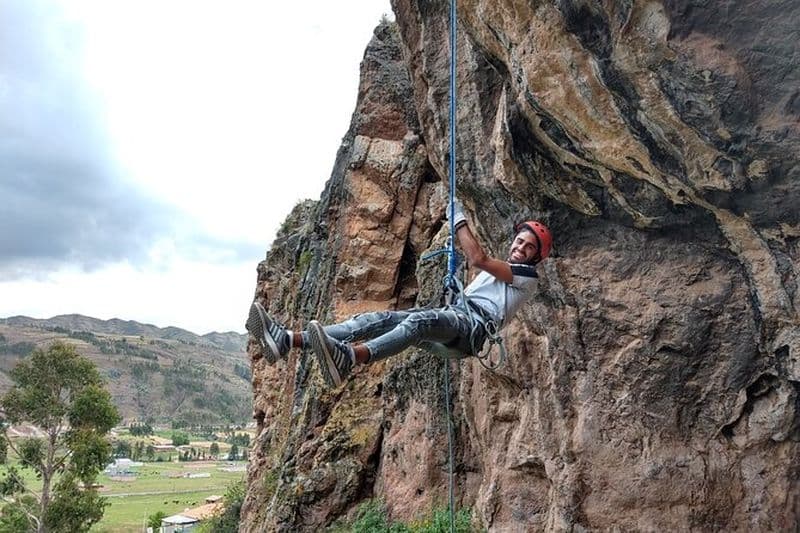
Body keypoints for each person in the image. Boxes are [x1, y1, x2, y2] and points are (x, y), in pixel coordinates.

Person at [246, 201, 552, 388]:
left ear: (535, 257)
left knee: (417, 323)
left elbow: (479, 259)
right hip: (459, 323)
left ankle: (351, 358)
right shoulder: (505, 272)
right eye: (520, 241)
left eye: (528, 247)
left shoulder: (528, 277)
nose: (520, 248)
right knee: (382, 319)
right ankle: (287, 339)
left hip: (470, 330)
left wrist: (458, 218)